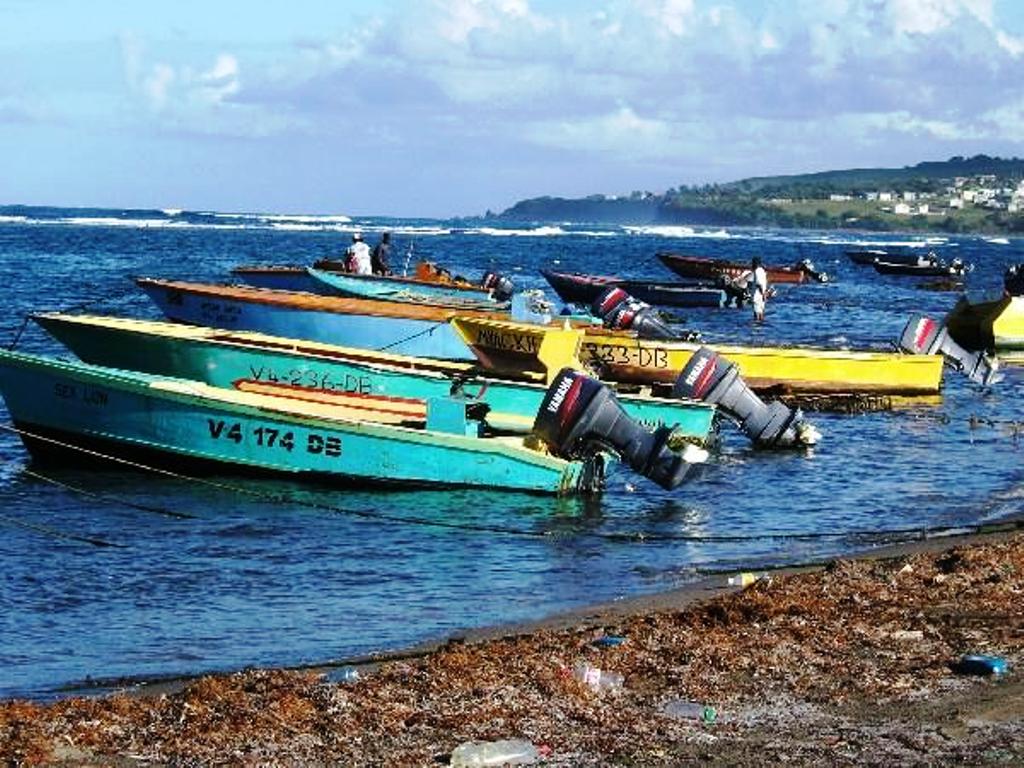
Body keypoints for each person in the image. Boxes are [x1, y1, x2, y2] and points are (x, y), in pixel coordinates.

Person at [750, 256, 768, 322]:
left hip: (757, 295)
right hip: (762, 294)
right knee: (761, 313)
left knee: (757, 315)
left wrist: (763, 294)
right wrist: (765, 293)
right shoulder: (762, 271)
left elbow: (759, 284)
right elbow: (764, 283)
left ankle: (756, 329)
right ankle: (762, 328)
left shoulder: (756, 271)